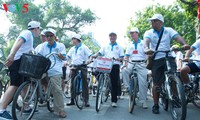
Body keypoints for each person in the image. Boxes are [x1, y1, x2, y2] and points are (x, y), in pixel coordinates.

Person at [143, 14, 190, 114]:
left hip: (168, 56)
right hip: (156, 58)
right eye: (151, 21)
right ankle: (155, 104)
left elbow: (177, 37)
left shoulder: (168, 30)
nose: (152, 22)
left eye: (154, 21)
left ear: (160, 22)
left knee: (173, 77)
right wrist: (147, 48)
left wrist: (184, 44)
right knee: (157, 83)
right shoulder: (149, 32)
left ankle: (176, 97)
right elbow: (146, 42)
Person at [0, 21, 41, 120]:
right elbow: (19, 41)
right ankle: (1, 110)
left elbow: (30, 51)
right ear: (36, 29)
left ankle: (26, 106)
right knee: (14, 85)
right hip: (17, 61)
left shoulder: (30, 38)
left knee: (25, 85)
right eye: (39, 29)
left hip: (23, 63)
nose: (39, 32)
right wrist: (12, 54)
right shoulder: (27, 33)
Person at [37, 28, 67, 118]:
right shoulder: (42, 46)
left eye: (51, 36)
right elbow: (38, 55)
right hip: (44, 69)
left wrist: (60, 55)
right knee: (32, 79)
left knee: (57, 89)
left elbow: (64, 58)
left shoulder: (60, 45)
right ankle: (34, 100)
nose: (49, 37)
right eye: (47, 36)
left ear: (55, 37)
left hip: (55, 69)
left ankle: (60, 110)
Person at [93, 32, 124, 107]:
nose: (112, 37)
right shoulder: (105, 46)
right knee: (96, 72)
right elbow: (100, 53)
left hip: (115, 64)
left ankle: (114, 101)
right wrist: (94, 55)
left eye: (113, 36)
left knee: (114, 83)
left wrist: (118, 59)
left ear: (116, 37)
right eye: (111, 36)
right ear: (109, 37)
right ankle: (100, 83)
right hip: (106, 64)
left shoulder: (119, 47)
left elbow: (122, 57)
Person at [121, 27, 148, 109]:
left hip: (141, 63)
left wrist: (147, 61)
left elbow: (147, 54)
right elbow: (127, 56)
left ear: (137, 33)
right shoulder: (130, 45)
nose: (132, 34)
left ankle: (143, 101)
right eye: (131, 33)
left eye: (133, 33)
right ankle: (127, 87)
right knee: (124, 70)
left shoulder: (143, 43)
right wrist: (125, 63)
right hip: (131, 62)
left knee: (143, 82)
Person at [66, 33, 92, 107]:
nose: (72, 40)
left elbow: (90, 55)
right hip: (74, 66)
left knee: (84, 83)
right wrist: (66, 62)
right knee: (72, 83)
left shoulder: (84, 47)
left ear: (77, 40)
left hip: (82, 66)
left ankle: (86, 100)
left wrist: (89, 60)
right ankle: (72, 99)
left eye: (73, 39)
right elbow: (68, 56)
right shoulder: (72, 48)